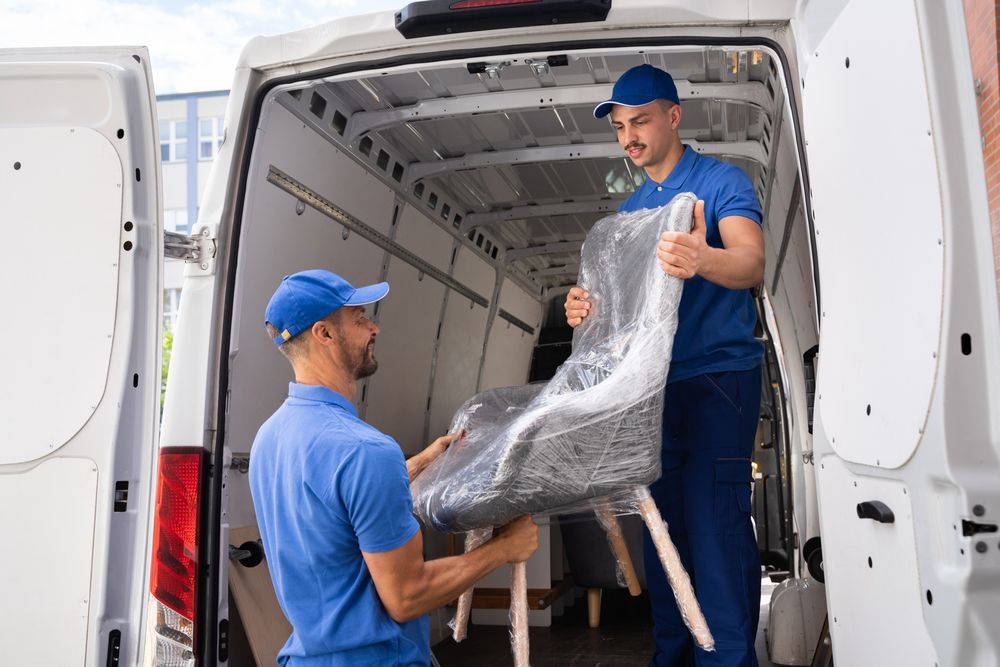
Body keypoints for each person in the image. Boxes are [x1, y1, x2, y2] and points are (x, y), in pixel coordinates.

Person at [566, 64, 765, 666]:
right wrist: (586, 310)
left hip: (716, 382)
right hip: (651, 391)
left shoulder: (720, 182)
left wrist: (704, 257)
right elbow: (622, 314)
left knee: (715, 534)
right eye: (619, 127)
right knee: (664, 539)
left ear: (674, 116)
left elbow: (750, 262)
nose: (629, 137)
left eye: (641, 122)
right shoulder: (630, 212)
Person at [249, 269, 539, 666]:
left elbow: (333, 507)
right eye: (359, 318)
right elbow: (407, 596)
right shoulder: (365, 451)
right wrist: (504, 547)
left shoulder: (269, 438)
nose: (375, 328)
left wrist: (420, 462)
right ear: (324, 333)